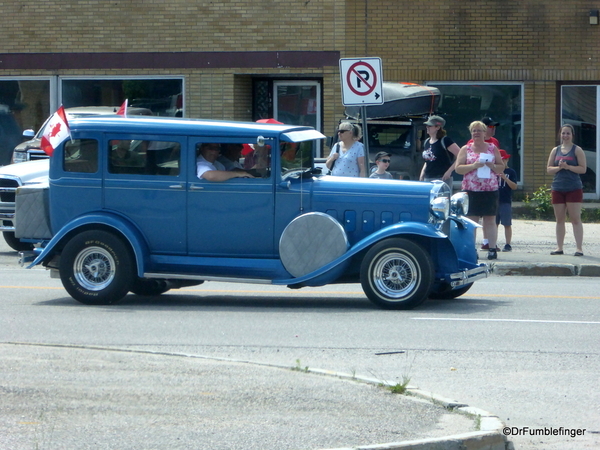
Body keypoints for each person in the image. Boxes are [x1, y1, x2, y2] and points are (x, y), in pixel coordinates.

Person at [455, 121, 504, 260]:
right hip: (471, 189)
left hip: (489, 189)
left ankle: (492, 249)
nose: (476, 133)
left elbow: (501, 167)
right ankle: (471, 249)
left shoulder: (492, 148)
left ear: (485, 133)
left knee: (490, 219)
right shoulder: (466, 149)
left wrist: (492, 165)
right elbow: (458, 168)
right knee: (471, 220)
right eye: (474, 131)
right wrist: (474, 165)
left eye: (479, 130)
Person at [546, 124, 587, 256]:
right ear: (560, 135)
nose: (565, 136)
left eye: (568, 133)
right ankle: (559, 247)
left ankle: (579, 248)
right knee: (559, 219)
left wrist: (568, 167)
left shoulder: (577, 150)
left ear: (572, 135)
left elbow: (583, 169)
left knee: (575, 219)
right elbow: (549, 169)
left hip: (573, 188)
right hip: (558, 187)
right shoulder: (555, 150)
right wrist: (560, 167)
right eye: (563, 133)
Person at [419, 115, 461, 191]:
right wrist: (422, 173)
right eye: (427, 125)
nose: (427, 127)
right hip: (427, 178)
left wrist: (449, 171)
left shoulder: (445, 141)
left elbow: (461, 156)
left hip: (442, 178)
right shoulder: (426, 142)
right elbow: (428, 160)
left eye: (430, 126)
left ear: (437, 127)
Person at [496, 149, 517, 252]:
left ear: (507, 160)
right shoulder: (493, 171)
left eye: (503, 160)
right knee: (493, 223)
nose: (501, 162)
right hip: (494, 201)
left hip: (505, 201)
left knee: (507, 223)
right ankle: (492, 243)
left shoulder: (511, 172)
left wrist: (505, 178)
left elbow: (514, 186)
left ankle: (508, 244)